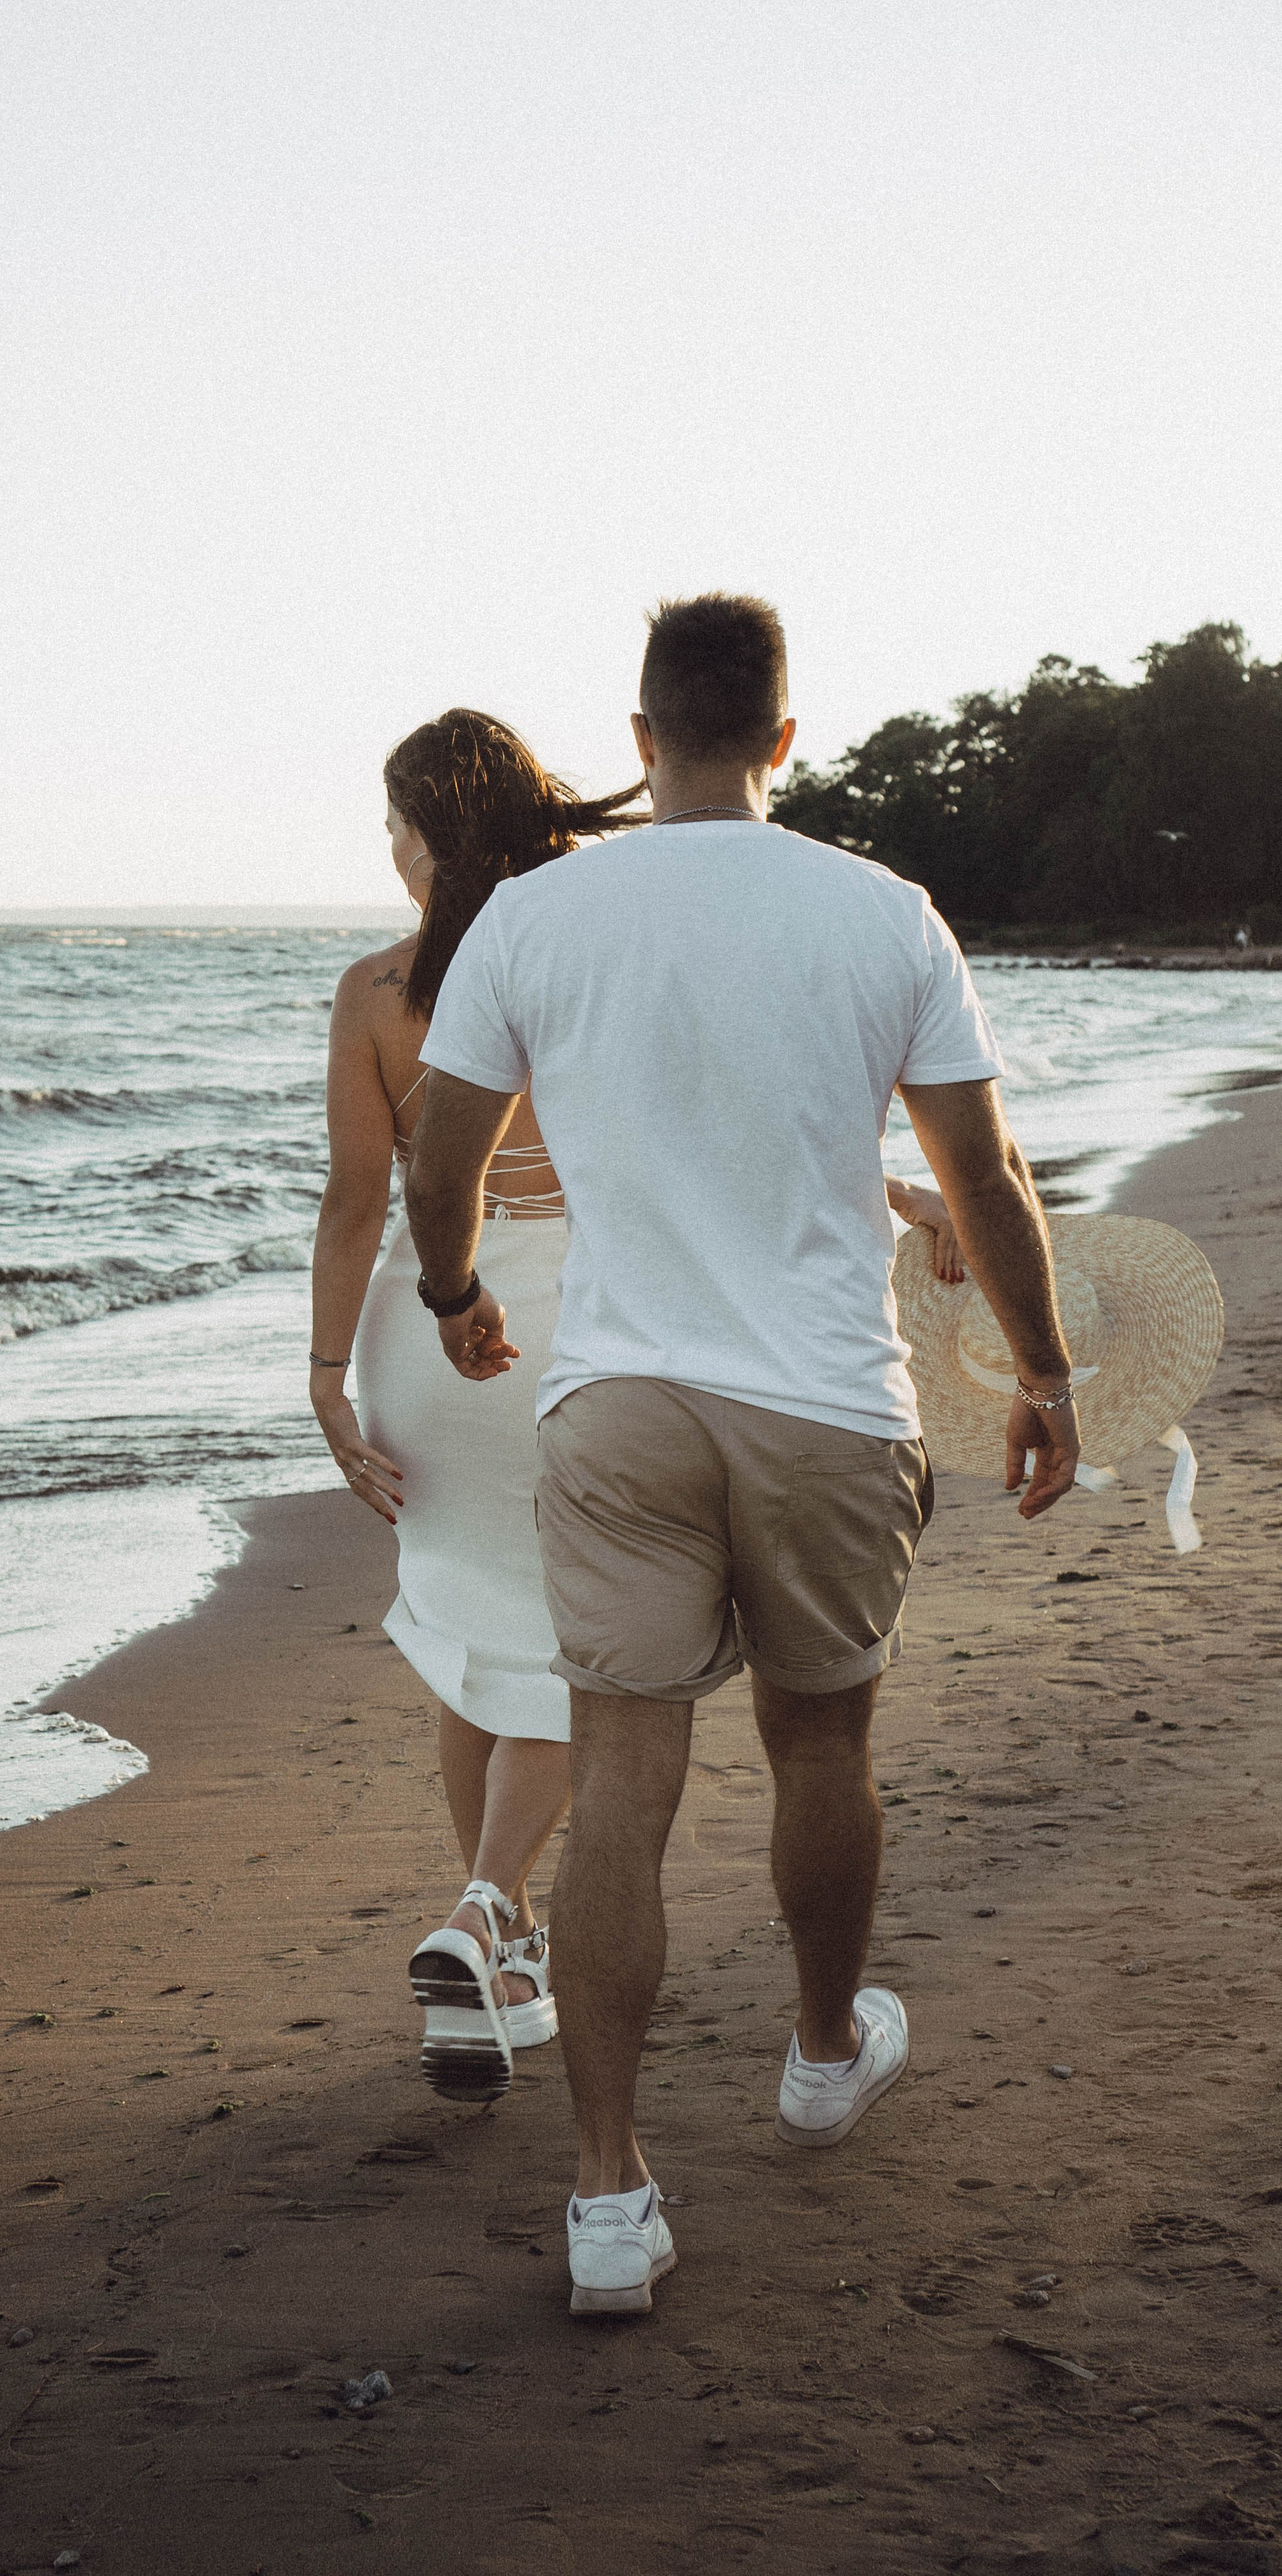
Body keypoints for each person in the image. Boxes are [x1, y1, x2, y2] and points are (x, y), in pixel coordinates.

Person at [403, 593, 1079, 2316]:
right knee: (819, 1740)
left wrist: (456, 1291)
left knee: (623, 1780)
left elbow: (440, 1148)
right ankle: (818, 2051)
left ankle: (607, 2197)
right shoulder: (882, 915)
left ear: (637, 740)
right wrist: (1045, 1372)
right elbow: (983, 1178)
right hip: (827, 1402)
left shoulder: (538, 916)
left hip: (618, 1401)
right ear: (785, 736)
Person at [309, 708, 967, 2110]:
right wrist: (906, 1194)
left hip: (429, 1325)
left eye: (391, 823)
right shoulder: (593, 936)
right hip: (574, 1317)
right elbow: (719, 1126)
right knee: (564, 1652)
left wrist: (323, 1375)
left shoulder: (376, 991)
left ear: (426, 834)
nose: (386, 849)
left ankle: (501, 1954)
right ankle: (491, 1910)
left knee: (468, 1640)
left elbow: (364, 1199)